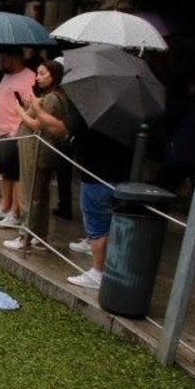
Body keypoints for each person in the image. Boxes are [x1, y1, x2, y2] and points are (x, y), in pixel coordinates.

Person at [25, 94, 133, 290]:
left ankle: (98, 272)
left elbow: (57, 128)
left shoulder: (92, 105)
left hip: (97, 176)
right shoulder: (127, 110)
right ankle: (106, 269)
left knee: (98, 227)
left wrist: (36, 108)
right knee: (108, 225)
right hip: (119, 176)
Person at [7, 60, 69, 254]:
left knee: (30, 193)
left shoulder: (52, 98)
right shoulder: (50, 97)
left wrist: (20, 112)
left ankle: (25, 235)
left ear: (54, 75)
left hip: (37, 152)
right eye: (38, 73)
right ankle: (39, 236)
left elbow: (37, 125)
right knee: (40, 194)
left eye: (42, 73)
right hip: (36, 150)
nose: (38, 77)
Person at [0, 50, 36, 230]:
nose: (1, 62)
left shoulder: (28, 77)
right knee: (4, 173)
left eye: (4, 58)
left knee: (15, 174)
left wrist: (17, 128)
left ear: (16, 58)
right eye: (0, 59)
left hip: (13, 133)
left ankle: (15, 212)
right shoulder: (6, 76)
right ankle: (4, 206)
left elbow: (31, 105)